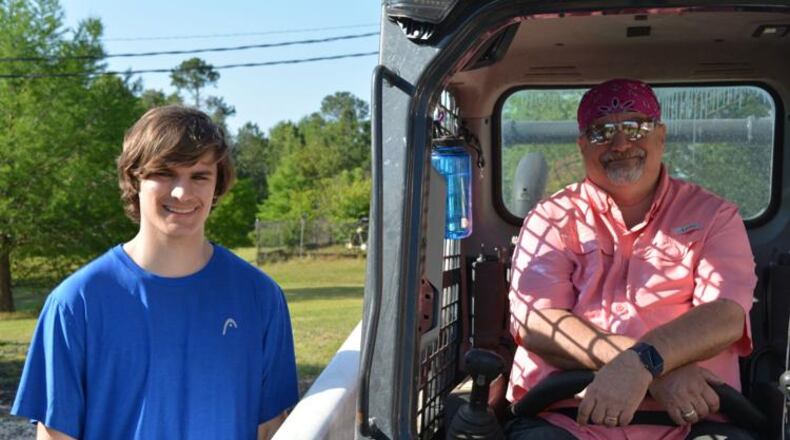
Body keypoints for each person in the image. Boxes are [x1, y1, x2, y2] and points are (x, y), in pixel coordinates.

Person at [11, 105, 299, 440]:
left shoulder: (260, 297)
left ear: (217, 183)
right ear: (135, 178)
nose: (182, 192)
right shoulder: (77, 303)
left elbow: (270, 429)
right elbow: (56, 435)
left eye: (199, 175)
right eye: (164, 173)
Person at [506, 79, 757, 439]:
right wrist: (652, 368)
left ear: (660, 135)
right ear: (581, 145)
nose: (621, 144)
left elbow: (726, 316)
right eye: (601, 132)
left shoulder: (714, 216)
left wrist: (643, 364)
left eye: (636, 127)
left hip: (693, 420)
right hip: (566, 418)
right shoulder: (550, 219)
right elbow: (539, 324)